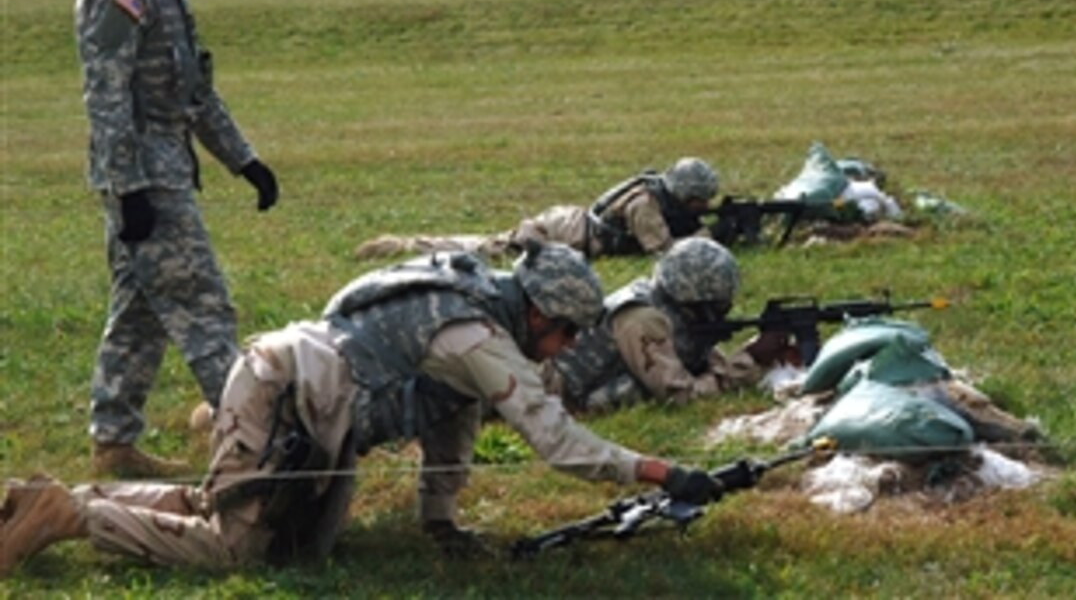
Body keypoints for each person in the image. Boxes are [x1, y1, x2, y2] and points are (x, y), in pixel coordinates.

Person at [0, 242, 723, 573]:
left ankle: (49, 498)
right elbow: (556, 439)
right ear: (539, 313)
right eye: (564, 333)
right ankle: (73, 516)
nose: (563, 349)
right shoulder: (479, 336)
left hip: (304, 402)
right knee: (240, 550)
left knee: (296, 544)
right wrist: (661, 472)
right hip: (286, 397)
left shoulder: (468, 295)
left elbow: (453, 419)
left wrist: (439, 521)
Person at [75, 0, 280, 479]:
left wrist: (244, 161)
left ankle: (113, 444)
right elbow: (106, 97)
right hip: (146, 179)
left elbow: (193, 94)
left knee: (139, 312)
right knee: (203, 304)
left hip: (164, 168)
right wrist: (128, 188)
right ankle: (255, 438)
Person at [544, 237, 797, 414]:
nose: (726, 312)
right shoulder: (642, 319)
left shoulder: (671, 307)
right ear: (695, 300)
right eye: (719, 306)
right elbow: (680, 396)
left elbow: (705, 364)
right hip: (555, 398)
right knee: (633, 392)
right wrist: (750, 359)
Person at [354, 156, 720, 261]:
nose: (704, 206)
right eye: (699, 201)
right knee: (490, 250)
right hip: (562, 234)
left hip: (568, 224)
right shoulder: (646, 205)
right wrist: (707, 237)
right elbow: (663, 252)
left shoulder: (658, 196)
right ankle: (404, 246)